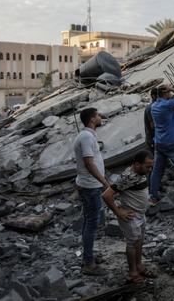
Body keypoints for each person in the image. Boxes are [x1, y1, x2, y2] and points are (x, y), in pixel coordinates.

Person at [102, 151, 156, 283]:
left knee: (139, 241)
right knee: (132, 243)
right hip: (131, 216)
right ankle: (132, 272)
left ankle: (139, 266)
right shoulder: (127, 177)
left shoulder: (140, 173)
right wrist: (118, 212)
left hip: (140, 214)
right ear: (137, 164)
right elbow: (106, 195)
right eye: (147, 167)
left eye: (151, 167)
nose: (150, 170)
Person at [74, 107, 110, 276]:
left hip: (90, 185)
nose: (100, 117)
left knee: (90, 221)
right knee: (92, 223)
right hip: (90, 186)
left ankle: (88, 256)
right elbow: (89, 163)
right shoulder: (87, 137)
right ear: (91, 120)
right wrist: (103, 182)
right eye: (97, 115)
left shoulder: (88, 135)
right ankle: (89, 263)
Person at [149, 85, 174, 204]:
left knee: (157, 170)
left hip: (159, 142)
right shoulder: (167, 105)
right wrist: (172, 89)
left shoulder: (154, 106)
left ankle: (153, 196)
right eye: (168, 92)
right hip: (171, 142)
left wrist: (169, 94)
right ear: (165, 93)